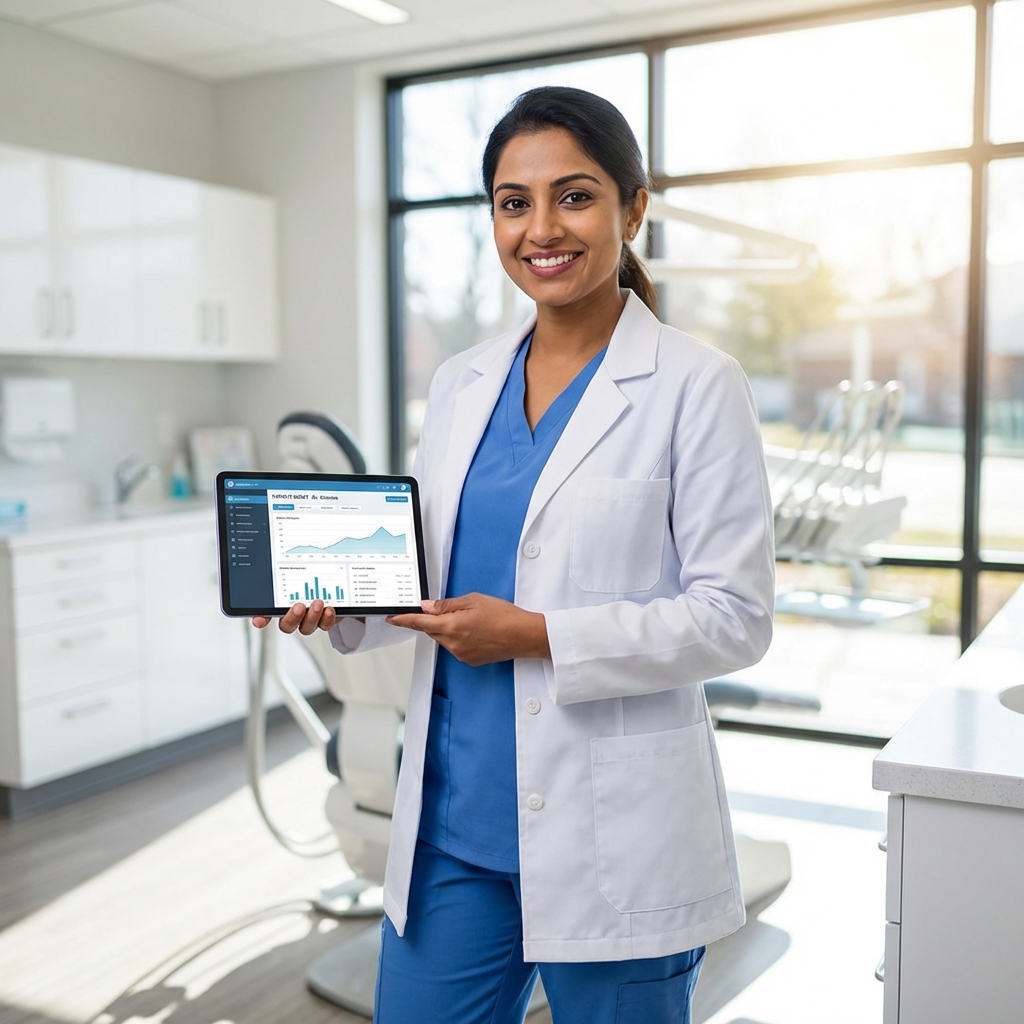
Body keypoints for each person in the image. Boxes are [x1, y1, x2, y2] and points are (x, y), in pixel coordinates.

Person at [255, 86, 775, 1024]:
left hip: (615, 833)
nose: (542, 228)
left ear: (632, 208)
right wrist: (343, 602)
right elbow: (436, 584)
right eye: (513, 201)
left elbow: (734, 618)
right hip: (454, 827)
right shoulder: (461, 384)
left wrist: (535, 634)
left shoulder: (698, 385)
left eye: (574, 196)